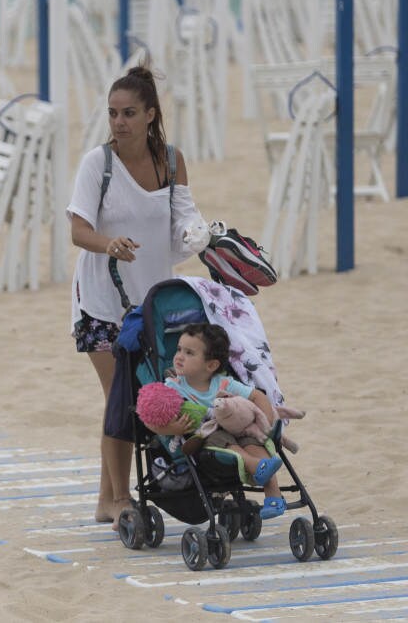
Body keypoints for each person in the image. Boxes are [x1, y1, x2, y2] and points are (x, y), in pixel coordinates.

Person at [66, 65, 204, 527]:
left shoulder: (171, 160)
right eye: (112, 113)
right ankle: (117, 497)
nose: (119, 122)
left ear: (150, 115)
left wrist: (204, 237)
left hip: (151, 303)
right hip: (100, 302)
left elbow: (184, 219)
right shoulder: (97, 164)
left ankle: (108, 500)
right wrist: (110, 244)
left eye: (128, 113)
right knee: (119, 396)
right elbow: (78, 230)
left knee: (132, 395)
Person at [153, 322, 286, 520]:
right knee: (219, 438)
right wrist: (173, 427)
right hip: (205, 439)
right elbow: (153, 420)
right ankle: (255, 465)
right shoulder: (173, 387)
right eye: (179, 349)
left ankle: (273, 494)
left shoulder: (223, 382)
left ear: (212, 365)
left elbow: (257, 396)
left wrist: (265, 423)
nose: (179, 356)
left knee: (256, 442)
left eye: (189, 353)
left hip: (238, 430)